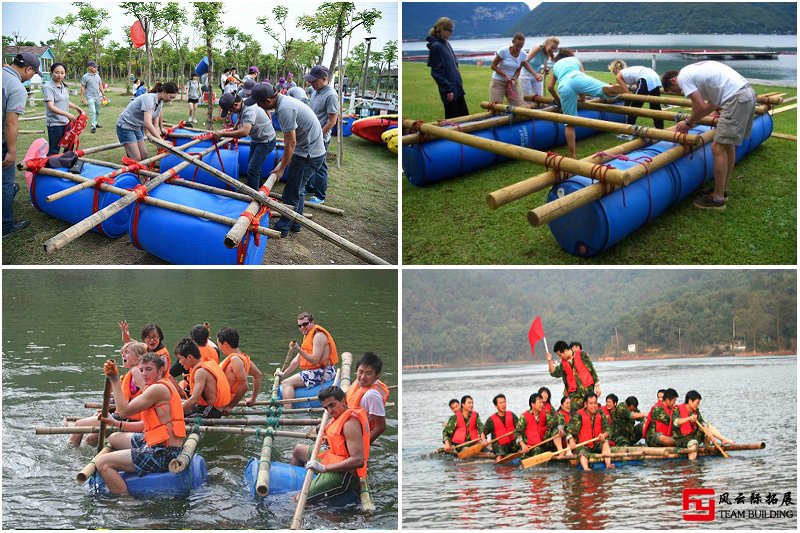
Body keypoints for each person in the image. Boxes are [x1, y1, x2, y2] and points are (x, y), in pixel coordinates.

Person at [661, 61, 756, 209]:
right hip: (745, 93)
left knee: (717, 148)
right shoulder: (693, 72)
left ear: (673, 80)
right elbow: (710, 105)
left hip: (736, 98)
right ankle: (722, 190)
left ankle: (717, 199)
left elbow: (699, 106)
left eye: (674, 90)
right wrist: (692, 121)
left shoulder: (683, 77)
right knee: (727, 146)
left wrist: (687, 122)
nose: (679, 93)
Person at [94, 354, 186, 495]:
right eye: (141, 370)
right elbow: (146, 425)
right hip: (161, 445)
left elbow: (124, 411)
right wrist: (117, 423)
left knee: (102, 463)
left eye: (149, 369)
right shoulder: (163, 385)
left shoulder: (157, 389)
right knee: (114, 438)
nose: (144, 374)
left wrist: (114, 379)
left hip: (163, 453)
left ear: (160, 370)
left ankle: (126, 502)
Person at [245, 83, 326, 238]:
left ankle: (282, 228)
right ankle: (296, 223)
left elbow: (291, 143)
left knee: (291, 193)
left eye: (259, 104)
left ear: (268, 101)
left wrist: (282, 168)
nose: (259, 107)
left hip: (308, 155)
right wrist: (283, 160)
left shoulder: (284, 109)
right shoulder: (284, 103)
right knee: (298, 189)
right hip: (308, 151)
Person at [292, 386, 370, 501]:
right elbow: (330, 427)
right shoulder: (340, 414)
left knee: (298, 499)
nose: (330, 411)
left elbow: (358, 460)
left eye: (332, 405)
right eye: (326, 408)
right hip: (333, 458)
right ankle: (295, 483)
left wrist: (324, 468)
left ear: (343, 401)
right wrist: (319, 429)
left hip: (344, 475)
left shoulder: (350, 425)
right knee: (298, 450)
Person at [549, 49, 626, 158]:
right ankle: (613, 88)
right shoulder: (575, 59)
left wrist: (558, 100)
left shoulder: (555, 65)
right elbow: (582, 78)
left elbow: (550, 87)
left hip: (564, 85)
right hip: (578, 77)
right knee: (603, 89)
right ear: (569, 55)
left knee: (569, 123)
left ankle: (573, 155)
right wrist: (583, 99)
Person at [68, 341, 147, 447]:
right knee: (90, 439)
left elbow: (147, 394)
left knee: (78, 424)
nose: (123, 355)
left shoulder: (136, 371)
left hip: (124, 418)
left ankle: (69, 451)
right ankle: (79, 454)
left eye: (127, 352)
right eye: (122, 353)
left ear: (138, 357)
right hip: (125, 416)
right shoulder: (134, 372)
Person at [3, 53, 37, 236]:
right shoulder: (16, 87)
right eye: (33, 73)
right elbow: (10, 123)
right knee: (6, 184)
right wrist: (11, 151)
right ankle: (6, 227)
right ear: (28, 69)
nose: (31, 77)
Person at [214, 90, 277, 190]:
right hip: (257, 139)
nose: (231, 113)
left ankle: (253, 194)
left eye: (230, 111)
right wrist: (234, 128)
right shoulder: (242, 103)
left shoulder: (249, 109)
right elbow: (240, 117)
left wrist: (222, 133)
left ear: (235, 105)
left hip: (266, 141)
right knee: (254, 165)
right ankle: (258, 188)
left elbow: (245, 132)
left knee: (253, 167)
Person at [275, 311, 338, 399]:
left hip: (324, 371)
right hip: (315, 370)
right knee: (285, 381)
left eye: (305, 324)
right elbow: (296, 361)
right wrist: (284, 373)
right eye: (299, 326)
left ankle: (287, 410)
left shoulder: (318, 336)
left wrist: (299, 349)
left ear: (312, 322)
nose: (302, 327)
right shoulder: (307, 335)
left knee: (287, 383)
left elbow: (315, 360)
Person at [303, 65, 339, 205]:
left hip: (321, 137)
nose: (311, 83)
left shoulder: (331, 95)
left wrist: (318, 135)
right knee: (309, 162)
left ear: (324, 79)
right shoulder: (315, 91)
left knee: (320, 165)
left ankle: (320, 195)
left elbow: (332, 121)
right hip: (311, 134)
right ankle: (310, 187)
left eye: (314, 80)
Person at [116, 81, 179, 161]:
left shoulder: (160, 103)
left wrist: (159, 143)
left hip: (136, 127)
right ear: (164, 92)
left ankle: (132, 160)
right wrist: (162, 141)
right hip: (125, 126)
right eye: (171, 97)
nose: (171, 100)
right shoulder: (149, 100)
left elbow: (155, 125)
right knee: (136, 158)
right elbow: (148, 123)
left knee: (144, 155)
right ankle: (130, 169)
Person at [175, 337, 232, 418]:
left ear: (189, 357)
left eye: (180, 359)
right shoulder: (208, 362)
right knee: (176, 406)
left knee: (176, 417)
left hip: (212, 410)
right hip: (213, 407)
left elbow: (194, 399)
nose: (180, 362)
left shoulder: (200, 372)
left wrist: (175, 413)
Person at [608, 60, 664, 140]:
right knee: (655, 105)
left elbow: (627, 93)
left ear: (614, 71)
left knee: (634, 107)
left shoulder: (618, 76)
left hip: (645, 78)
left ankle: (628, 132)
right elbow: (638, 86)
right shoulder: (629, 71)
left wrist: (626, 106)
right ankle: (659, 128)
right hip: (654, 76)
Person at [672, 390, 734, 459]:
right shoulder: (677, 409)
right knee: (693, 444)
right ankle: (692, 465)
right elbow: (676, 422)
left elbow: (702, 422)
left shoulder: (695, 410)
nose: (698, 405)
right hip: (682, 439)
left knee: (707, 426)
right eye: (697, 403)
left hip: (693, 435)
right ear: (690, 401)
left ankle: (723, 439)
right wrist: (689, 418)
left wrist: (709, 433)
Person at [426, 17, 468, 119]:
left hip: (457, 88)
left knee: (464, 116)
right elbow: (436, 72)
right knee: (453, 119)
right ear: (442, 29)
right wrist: (448, 90)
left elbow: (453, 66)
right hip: (449, 90)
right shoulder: (436, 46)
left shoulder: (446, 43)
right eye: (450, 31)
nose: (451, 34)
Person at [345, 352, 389, 443]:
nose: (363, 377)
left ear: (377, 375)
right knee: (317, 429)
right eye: (360, 372)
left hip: (356, 434)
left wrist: (363, 445)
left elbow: (381, 426)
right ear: (357, 370)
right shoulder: (359, 383)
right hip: (348, 425)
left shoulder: (372, 395)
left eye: (368, 373)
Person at [217, 326, 262, 412]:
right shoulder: (243, 358)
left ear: (225, 344)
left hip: (222, 404)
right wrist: (253, 399)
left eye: (219, 344)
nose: (219, 348)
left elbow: (244, 386)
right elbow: (258, 375)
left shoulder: (235, 360)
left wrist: (230, 406)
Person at [547, 340, 600, 412]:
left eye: (560, 355)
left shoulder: (582, 355)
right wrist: (549, 361)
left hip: (588, 392)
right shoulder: (563, 364)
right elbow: (554, 373)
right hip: (574, 397)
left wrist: (597, 387)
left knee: (590, 414)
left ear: (565, 351)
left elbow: (592, 370)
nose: (560, 358)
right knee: (575, 417)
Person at [43, 62, 84, 155]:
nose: (59, 75)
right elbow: (51, 106)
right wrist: (67, 114)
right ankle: (49, 168)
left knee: (70, 146)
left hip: (66, 122)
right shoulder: (48, 87)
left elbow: (64, 101)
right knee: (54, 150)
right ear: (52, 73)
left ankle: (66, 164)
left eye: (62, 73)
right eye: (57, 72)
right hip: (54, 124)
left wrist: (77, 108)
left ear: (65, 74)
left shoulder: (63, 86)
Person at [565, 392, 614, 471]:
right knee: (581, 450)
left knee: (606, 442)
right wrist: (571, 440)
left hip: (597, 444)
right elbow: (569, 431)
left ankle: (608, 464)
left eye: (595, 403)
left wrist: (604, 435)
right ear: (585, 404)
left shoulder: (601, 413)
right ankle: (586, 468)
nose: (594, 406)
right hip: (584, 445)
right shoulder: (579, 415)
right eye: (591, 403)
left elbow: (609, 429)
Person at [490, 33, 535, 107]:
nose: (519, 48)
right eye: (517, 45)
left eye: (521, 46)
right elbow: (493, 66)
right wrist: (505, 75)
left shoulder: (523, 54)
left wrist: (514, 79)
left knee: (520, 107)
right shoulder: (503, 51)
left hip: (511, 83)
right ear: (513, 42)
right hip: (498, 82)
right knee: (496, 107)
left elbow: (518, 69)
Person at [515, 392, 550, 457]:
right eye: (539, 403)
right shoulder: (524, 417)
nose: (542, 405)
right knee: (536, 450)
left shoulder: (545, 413)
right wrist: (523, 445)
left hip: (543, 443)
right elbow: (517, 434)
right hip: (529, 447)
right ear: (533, 404)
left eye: (542, 402)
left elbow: (552, 424)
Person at [81, 60, 105, 134]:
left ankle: (95, 122)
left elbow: (100, 85)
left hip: (97, 96)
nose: (95, 68)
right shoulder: (85, 76)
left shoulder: (97, 75)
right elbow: (83, 87)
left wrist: (103, 93)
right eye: (94, 67)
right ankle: (93, 126)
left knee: (97, 111)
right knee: (93, 111)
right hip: (90, 96)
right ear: (89, 68)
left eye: (96, 67)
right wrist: (82, 97)